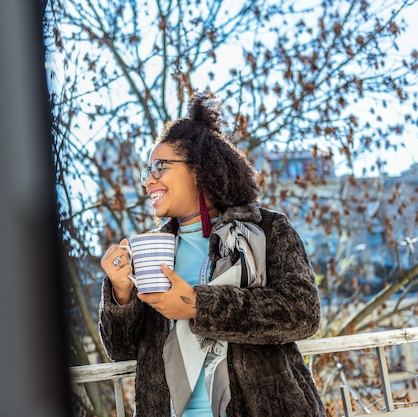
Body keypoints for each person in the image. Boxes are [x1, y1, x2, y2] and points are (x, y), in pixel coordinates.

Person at [98, 91, 325, 417]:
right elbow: (121, 350)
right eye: (146, 170)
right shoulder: (152, 251)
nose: (149, 180)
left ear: (199, 170)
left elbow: (303, 313)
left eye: (159, 167)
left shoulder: (267, 229)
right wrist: (121, 293)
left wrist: (198, 304)